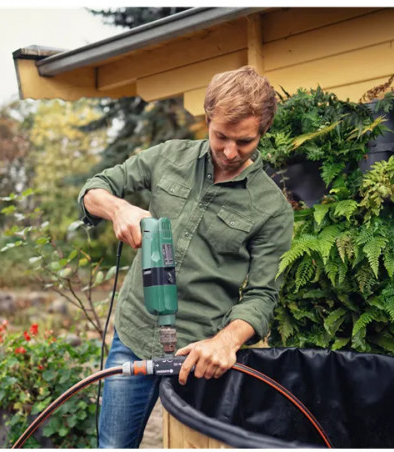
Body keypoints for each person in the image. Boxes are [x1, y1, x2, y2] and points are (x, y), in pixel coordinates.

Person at [77, 65, 294, 448]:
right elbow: (96, 188)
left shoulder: (272, 208)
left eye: (244, 142)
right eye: (221, 136)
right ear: (207, 119)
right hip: (134, 333)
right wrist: (119, 209)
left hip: (200, 355)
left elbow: (262, 295)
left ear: (263, 131)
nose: (229, 152)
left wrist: (226, 341)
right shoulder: (168, 156)